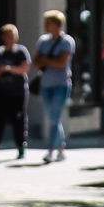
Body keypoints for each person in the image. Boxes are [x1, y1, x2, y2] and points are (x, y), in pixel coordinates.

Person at [33, 10, 76, 163]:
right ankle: (61, 147)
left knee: (54, 117)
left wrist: (46, 60)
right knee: (53, 118)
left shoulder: (67, 41)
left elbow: (61, 63)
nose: (45, 26)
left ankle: (51, 150)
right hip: (45, 85)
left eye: (48, 23)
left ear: (57, 25)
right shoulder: (43, 41)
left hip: (61, 85)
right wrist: (49, 60)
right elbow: (36, 62)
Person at [0, 24, 30, 161]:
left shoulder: (20, 51)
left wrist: (7, 69)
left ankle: (21, 147)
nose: (10, 38)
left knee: (18, 121)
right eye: (7, 36)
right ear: (3, 37)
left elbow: (24, 68)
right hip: (0, 93)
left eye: (12, 36)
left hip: (17, 93)